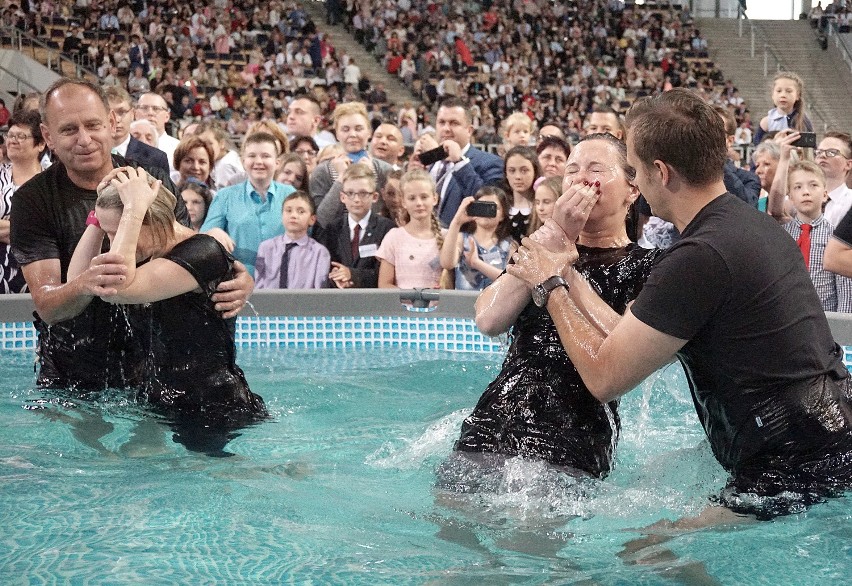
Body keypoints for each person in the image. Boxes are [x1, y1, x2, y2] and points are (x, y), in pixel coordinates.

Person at [509, 89, 852, 519]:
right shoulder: (750, 226)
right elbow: (628, 336)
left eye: (633, 170)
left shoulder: (697, 257)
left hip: (792, 464)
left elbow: (604, 378)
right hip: (831, 431)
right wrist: (572, 277)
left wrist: (550, 284)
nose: (633, 181)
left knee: (647, 553)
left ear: (660, 173)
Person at [9, 79, 251, 391]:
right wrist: (86, 283)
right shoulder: (33, 200)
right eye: (69, 130)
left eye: (93, 125)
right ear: (47, 136)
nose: (85, 139)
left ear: (111, 123)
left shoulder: (151, 181)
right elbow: (48, 305)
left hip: (147, 365)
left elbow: (185, 252)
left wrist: (233, 276)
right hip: (72, 365)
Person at [445, 133, 659, 480]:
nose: (579, 179)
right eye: (572, 171)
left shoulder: (649, 265)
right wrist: (557, 232)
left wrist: (562, 273)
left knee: (531, 532)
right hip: (499, 411)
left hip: (573, 428)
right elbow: (488, 319)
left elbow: (631, 344)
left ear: (633, 189)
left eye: (595, 169)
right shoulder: (541, 244)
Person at [68, 167, 266, 455]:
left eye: (117, 232)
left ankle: (281, 473)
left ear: (146, 220)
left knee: (219, 478)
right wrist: (99, 218)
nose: (112, 244)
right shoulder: (147, 252)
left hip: (210, 407)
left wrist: (134, 208)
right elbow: (80, 283)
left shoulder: (203, 252)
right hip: (161, 398)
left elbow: (115, 288)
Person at [767, 146, 852, 311]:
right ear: (790, 197)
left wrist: (844, 327)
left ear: (825, 194)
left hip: (826, 319)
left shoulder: (835, 238)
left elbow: (845, 290)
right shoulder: (781, 236)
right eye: (798, 187)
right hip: (787, 317)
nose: (806, 192)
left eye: (813, 185)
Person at [201, 132, 295, 276]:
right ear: (243, 161)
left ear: (277, 163)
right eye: (252, 156)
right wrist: (213, 232)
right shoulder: (225, 196)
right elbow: (203, 238)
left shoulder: (290, 195)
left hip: (285, 281)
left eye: (265, 156)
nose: (258, 161)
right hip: (238, 282)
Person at [414, 97, 503, 227]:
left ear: (469, 130)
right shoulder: (430, 163)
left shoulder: (491, 163)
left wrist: (459, 162)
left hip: (463, 244)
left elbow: (488, 210)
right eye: (441, 122)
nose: (446, 128)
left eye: (454, 123)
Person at [311, 102, 393, 228]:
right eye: (345, 129)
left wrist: (372, 179)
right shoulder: (322, 171)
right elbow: (322, 220)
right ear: (337, 134)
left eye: (359, 129)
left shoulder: (385, 170)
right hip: (335, 243)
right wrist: (341, 179)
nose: (352, 134)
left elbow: (386, 216)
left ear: (369, 132)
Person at [315, 163, 395, 288]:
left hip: (372, 300)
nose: (356, 199)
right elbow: (327, 266)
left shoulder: (387, 228)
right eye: (350, 193)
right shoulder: (333, 229)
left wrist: (352, 274)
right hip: (339, 299)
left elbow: (385, 274)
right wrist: (337, 276)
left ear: (374, 197)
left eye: (363, 193)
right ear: (342, 197)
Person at [1, 110, 46, 293]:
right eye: (10, 135)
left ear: (41, 144)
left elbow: (49, 231)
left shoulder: (51, 182)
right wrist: (24, 230)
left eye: (21, 136)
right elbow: (34, 231)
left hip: (37, 274)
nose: (12, 140)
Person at [376, 169, 444, 289]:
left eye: (424, 197)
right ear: (403, 202)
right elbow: (384, 284)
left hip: (439, 307)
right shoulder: (394, 237)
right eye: (412, 198)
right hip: (402, 307)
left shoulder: (447, 236)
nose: (419, 203)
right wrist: (413, 298)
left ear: (435, 198)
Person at [439, 186, 513, 291]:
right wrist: (457, 222)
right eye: (481, 206)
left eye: (493, 207)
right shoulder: (461, 238)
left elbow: (511, 281)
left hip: (495, 304)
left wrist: (477, 263)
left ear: (502, 214)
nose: (486, 211)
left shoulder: (510, 245)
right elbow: (447, 263)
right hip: (463, 304)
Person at [254, 191, 330, 289]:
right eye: (288, 210)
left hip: (305, 303)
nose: (293, 215)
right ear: (282, 215)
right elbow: (259, 284)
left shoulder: (319, 252)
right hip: (270, 303)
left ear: (312, 219)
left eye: (301, 211)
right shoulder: (266, 248)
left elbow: (320, 291)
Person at [104, 86, 169, 176]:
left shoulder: (156, 157)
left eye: (121, 112)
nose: (117, 119)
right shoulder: (87, 154)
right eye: (109, 113)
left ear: (132, 114)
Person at [753, 72, 813, 146]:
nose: (783, 95)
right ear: (772, 95)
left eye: (788, 91)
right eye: (779, 91)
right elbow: (757, 149)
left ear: (797, 95)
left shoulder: (803, 121)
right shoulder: (766, 122)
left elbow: (811, 149)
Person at [503, 146, 542, 243]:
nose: (518, 177)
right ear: (506, 173)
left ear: (535, 171)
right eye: (512, 170)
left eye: (524, 170)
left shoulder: (542, 208)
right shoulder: (501, 207)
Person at [136, 92, 180, 172]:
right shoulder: (123, 145)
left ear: (167, 116)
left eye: (156, 109)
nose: (150, 113)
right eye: (144, 108)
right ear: (135, 113)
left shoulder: (178, 148)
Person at [193, 121, 244, 190]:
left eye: (209, 143)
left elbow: (226, 197)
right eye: (201, 144)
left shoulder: (224, 166)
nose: (205, 148)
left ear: (221, 143)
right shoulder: (227, 158)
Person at [817, 131, 852, 227]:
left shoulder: (850, 202)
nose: (822, 155)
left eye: (832, 152)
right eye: (819, 152)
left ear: (848, 164)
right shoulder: (804, 196)